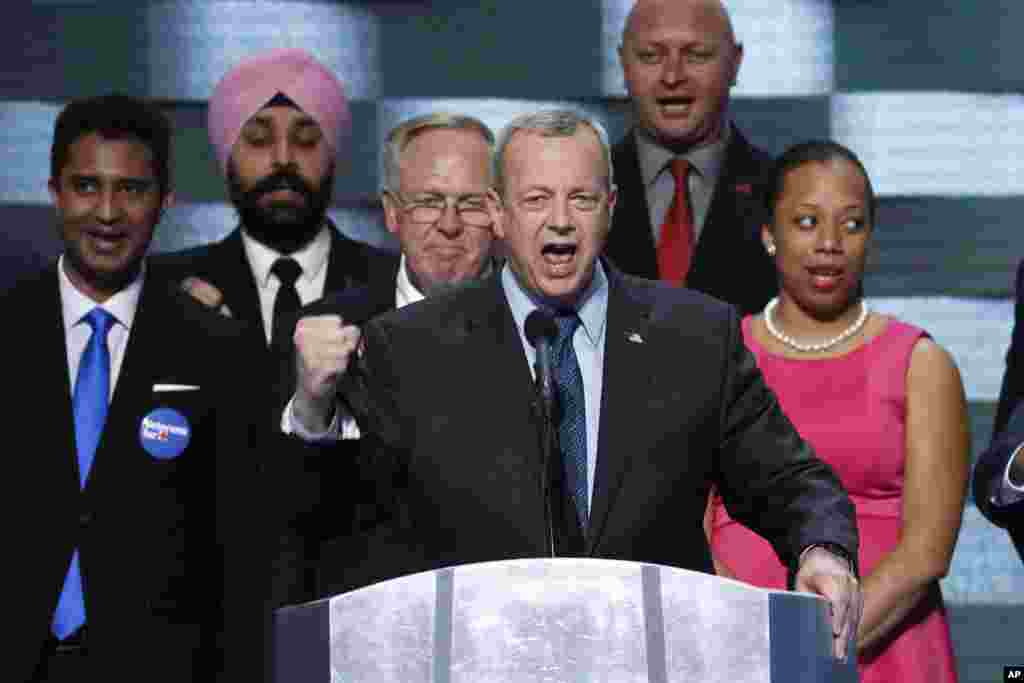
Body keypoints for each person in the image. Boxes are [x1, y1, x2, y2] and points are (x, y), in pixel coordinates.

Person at [291, 109, 863, 659]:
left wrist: (823, 552)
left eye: (581, 198)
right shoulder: (410, 346)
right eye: (536, 199)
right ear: (497, 212)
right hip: (477, 661)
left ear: (610, 207)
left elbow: (789, 479)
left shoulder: (696, 335)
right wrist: (312, 411)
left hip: (652, 660)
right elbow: (339, 519)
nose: (560, 220)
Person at [3, 95, 272, 682]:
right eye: (85, 186)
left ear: (165, 201)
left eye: (131, 189)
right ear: (54, 191)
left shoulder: (221, 351)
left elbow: (241, 567)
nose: (106, 212)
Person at [707, 141, 969, 682]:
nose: (829, 244)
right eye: (806, 221)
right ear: (768, 233)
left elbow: (926, 551)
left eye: (851, 225)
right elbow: (688, 521)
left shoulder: (921, 363)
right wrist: (743, 639)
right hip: (733, 651)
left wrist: (814, 654)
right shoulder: (716, 353)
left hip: (884, 655)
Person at [280, 112, 499, 595]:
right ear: (392, 212)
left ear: (499, 213)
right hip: (368, 624)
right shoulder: (324, 327)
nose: (449, 225)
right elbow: (289, 513)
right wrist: (313, 406)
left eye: (470, 204)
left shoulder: (540, 327)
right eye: (427, 202)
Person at [154, 48, 393, 384]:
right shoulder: (166, 291)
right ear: (226, 159)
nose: (283, 158)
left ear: (334, 157)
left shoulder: (393, 288)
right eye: (258, 139)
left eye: (307, 140)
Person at [604, 0, 777, 315]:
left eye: (696, 55)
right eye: (650, 56)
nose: (672, 76)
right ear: (623, 64)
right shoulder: (582, 193)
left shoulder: (781, 194)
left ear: (735, 64)